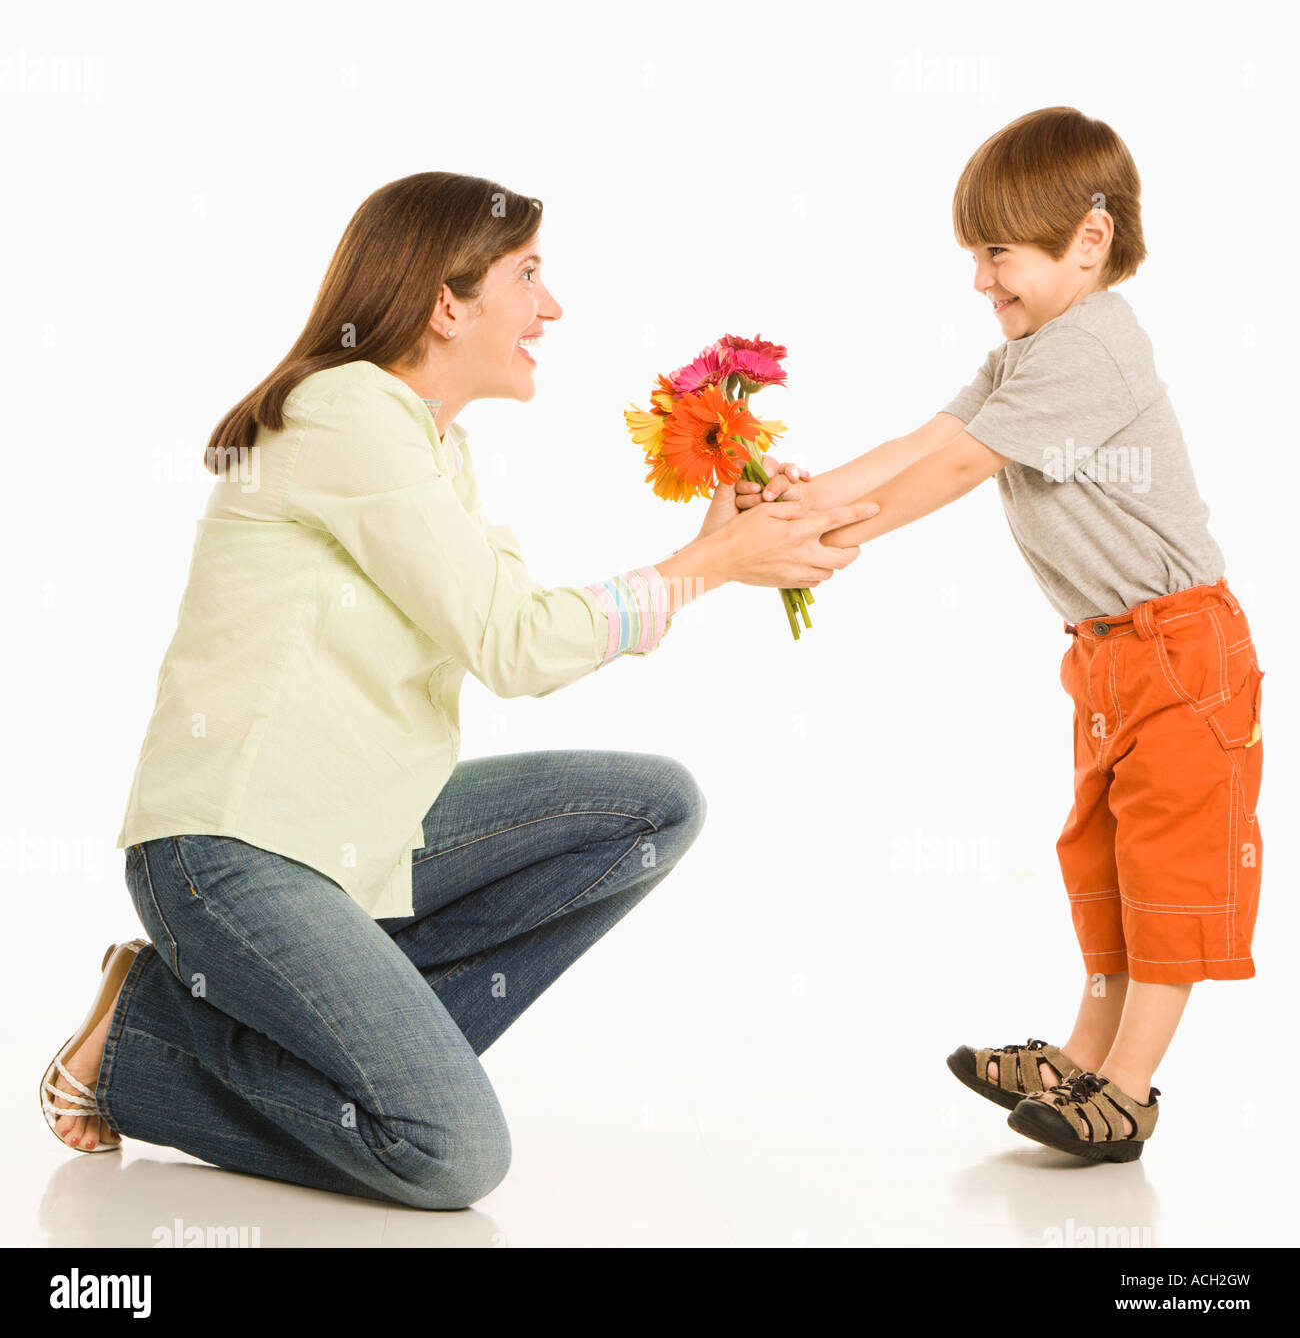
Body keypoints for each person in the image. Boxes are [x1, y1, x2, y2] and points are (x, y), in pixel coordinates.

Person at [39, 171, 877, 1206]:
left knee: (649, 808)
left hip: (358, 839)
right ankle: (142, 1049)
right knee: (447, 1153)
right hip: (234, 850)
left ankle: (290, 1040)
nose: (552, 306)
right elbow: (514, 645)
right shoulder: (347, 411)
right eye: (529, 276)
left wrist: (705, 551)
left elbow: (520, 628)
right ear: (447, 301)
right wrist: (713, 567)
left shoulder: (437, 446)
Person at [736, 107, 1264, 1163]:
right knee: (1103, 859)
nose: (981, 279)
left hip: (1179, 652)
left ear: (1089, 240)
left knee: (1166, 871)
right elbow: (926, 436)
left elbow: (955, 469)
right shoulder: (1027, 351)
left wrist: (839, 536)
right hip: (1111, 654)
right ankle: (1080, 1054)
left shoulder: (1095, 346)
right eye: (974, 256)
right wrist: (797, 496)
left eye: (995, 255)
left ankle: (1125, 1089)